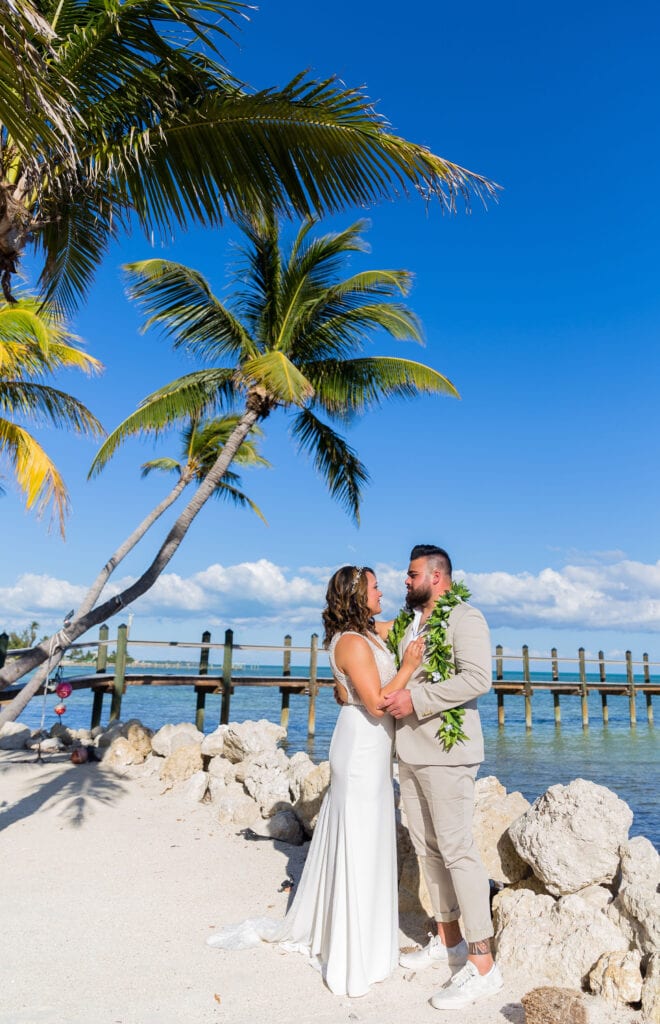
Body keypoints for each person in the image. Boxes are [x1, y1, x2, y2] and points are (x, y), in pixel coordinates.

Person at [207, 565, 424, 998]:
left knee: (369, 838)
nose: (382, 591)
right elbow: (378, 704)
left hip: (373, 749)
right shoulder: (352, 643)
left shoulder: (366, 632)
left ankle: (368, 938)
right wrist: (408, 664)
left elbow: (403, 621)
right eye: (376, 586)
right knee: (359, 840)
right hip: (361, 747)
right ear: (359, 595)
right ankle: (352, 947)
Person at [382, 544, 503, 1011]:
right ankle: (449, 941)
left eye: (411, 574)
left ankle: (483, 965)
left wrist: (418, 700)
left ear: (437, 576)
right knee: (427, 850)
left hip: (448, 754)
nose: (405, 581)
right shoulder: (411, 623)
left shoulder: (465, 618)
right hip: (409, 751)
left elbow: (478, 679)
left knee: (458, 852)